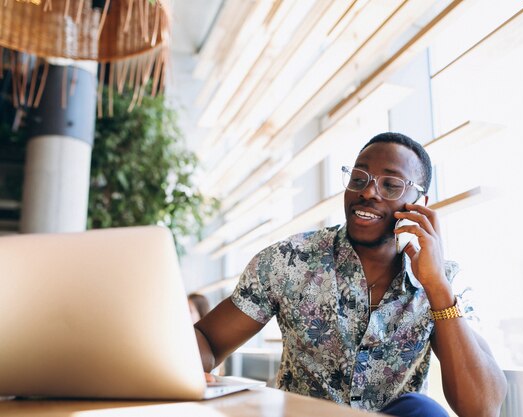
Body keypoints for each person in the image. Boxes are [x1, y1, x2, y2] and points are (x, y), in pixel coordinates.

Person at [194, 132, 507, 417]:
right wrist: (183, 366)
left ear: (420, 205)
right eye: (359, 178)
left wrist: (437, 286)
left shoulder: (442, 282)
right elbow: (207, 340)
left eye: (391, 184)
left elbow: (482, 407)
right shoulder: (289, 260)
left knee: (423, 410)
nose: (368, 191)